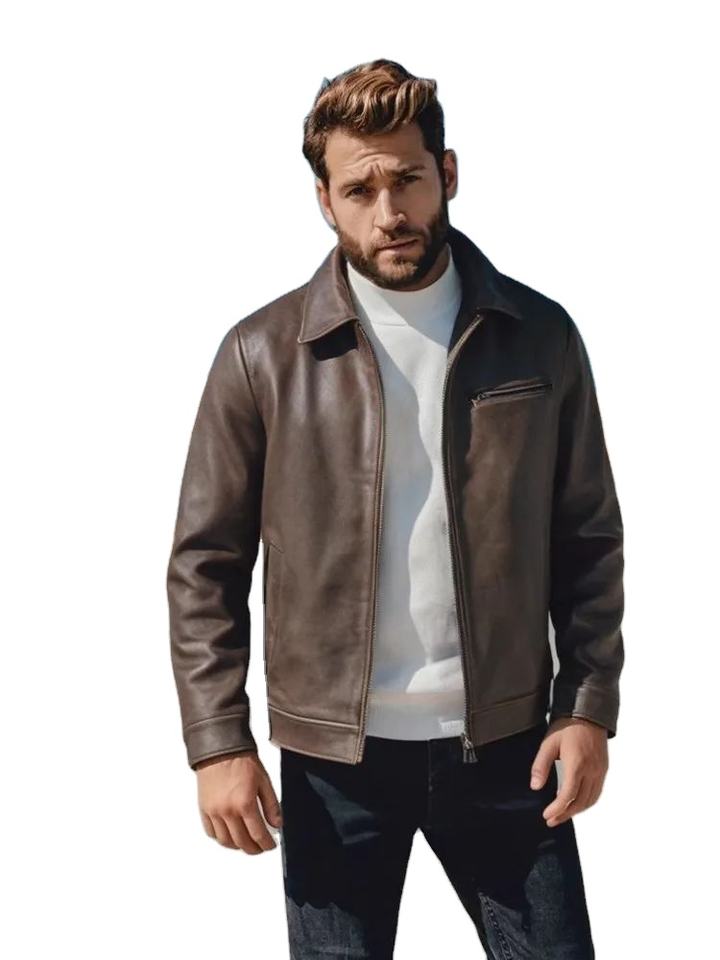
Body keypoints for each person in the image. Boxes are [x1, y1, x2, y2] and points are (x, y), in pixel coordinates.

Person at [166, 58, 625, 959]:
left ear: (447, 173)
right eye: (359, 189)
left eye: (408, 179)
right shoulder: (262, 355)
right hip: (335, 761)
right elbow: (204, 565)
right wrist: (217, 741)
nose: (390, 212)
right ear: (324, 201)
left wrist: (587, 706)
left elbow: (588, 538)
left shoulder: (539, 337)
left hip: (508, 743)